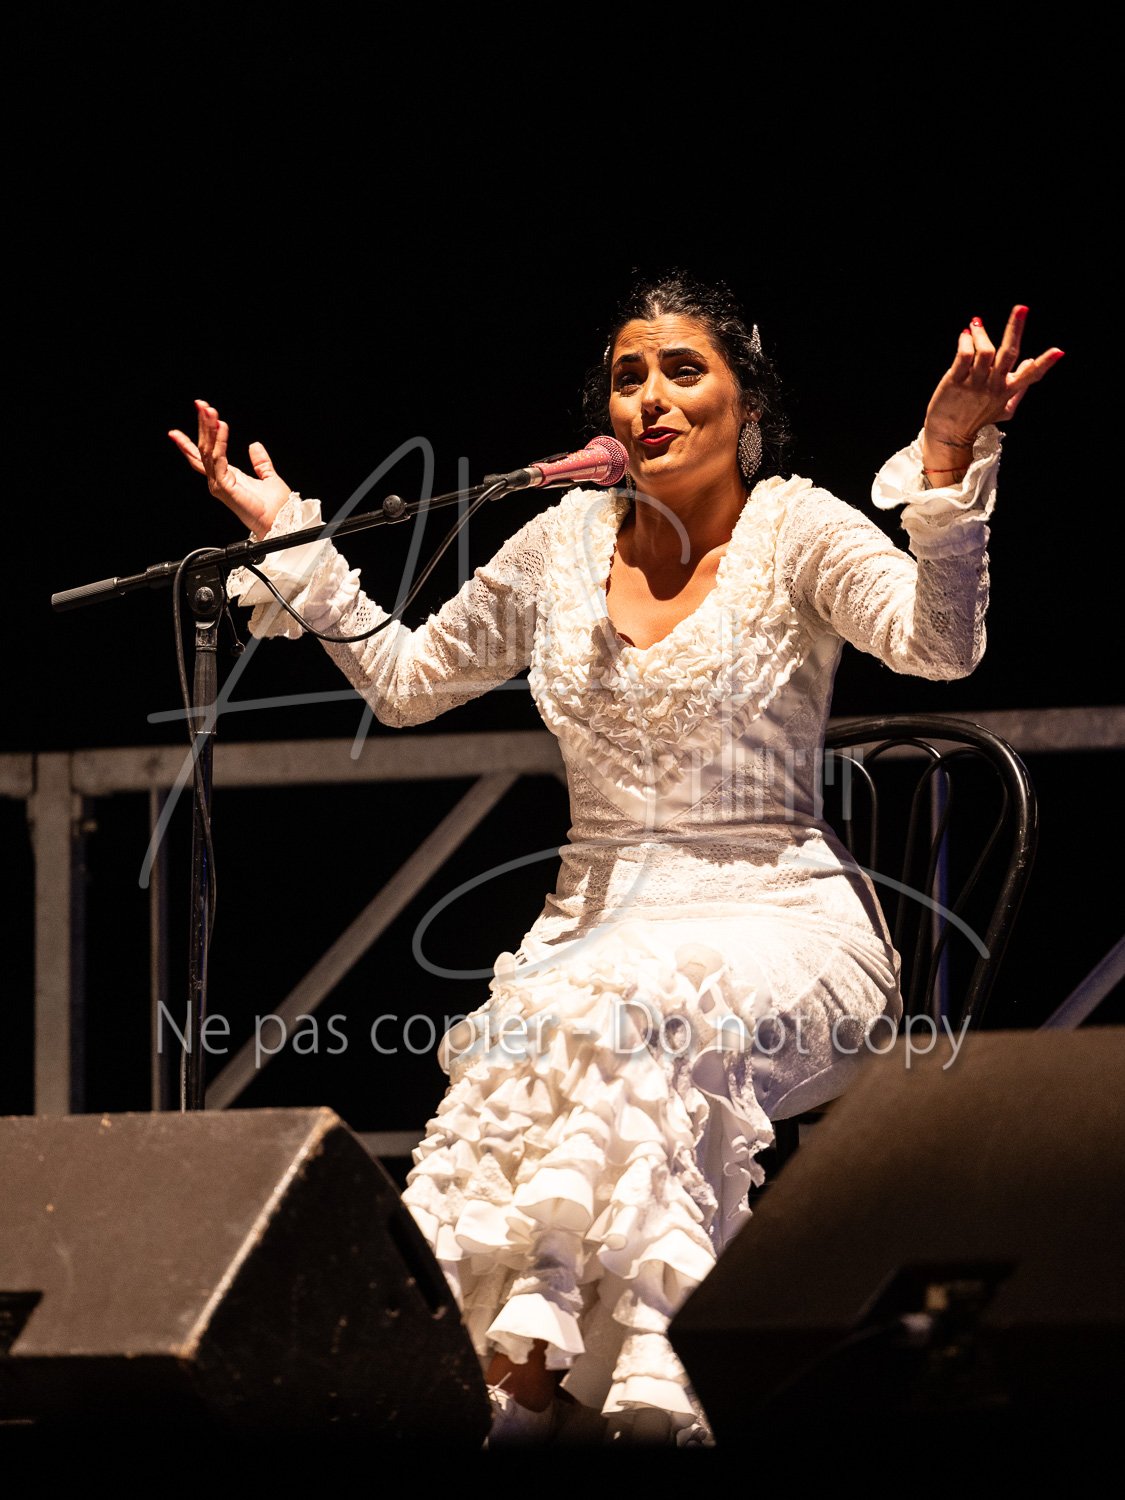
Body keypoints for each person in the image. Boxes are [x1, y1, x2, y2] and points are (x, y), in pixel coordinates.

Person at [169, 274, 1062, 1446]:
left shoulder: (795, 528)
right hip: (591, 941)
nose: (650, 396)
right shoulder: (559, 545)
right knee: (557, 1021)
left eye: (684, 370)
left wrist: (946, 460)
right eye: (629, 375)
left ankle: (542, 1402)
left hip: (783, 925)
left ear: (748, 407)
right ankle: (514, 1384)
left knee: (625, 1012)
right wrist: (289, 536)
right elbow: (406, 684)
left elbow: (941, 647)